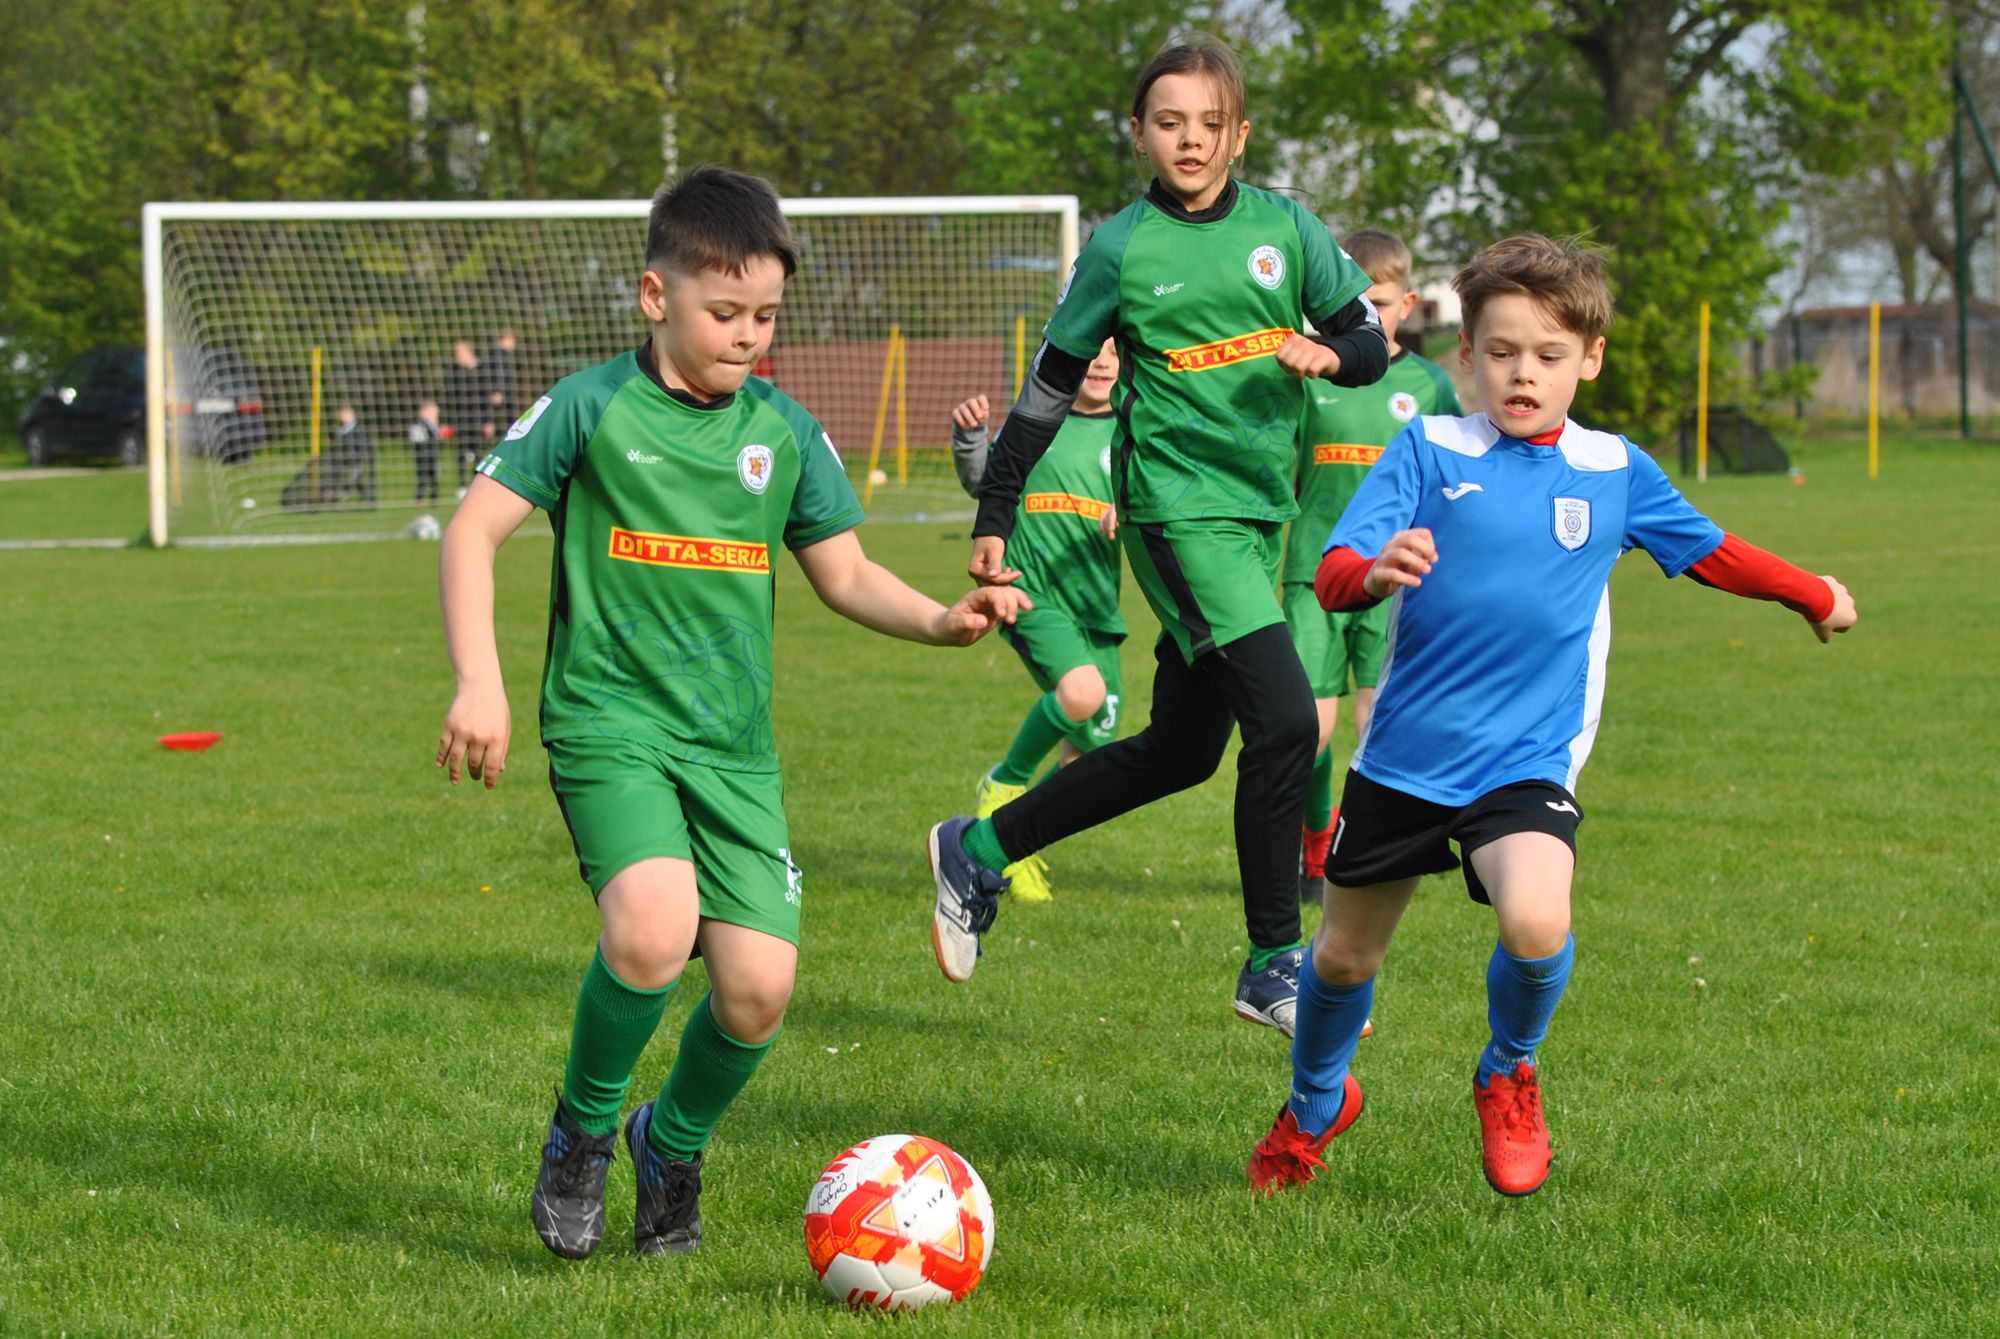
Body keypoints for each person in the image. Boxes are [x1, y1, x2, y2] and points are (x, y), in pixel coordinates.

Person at [434, 167, 1026, 1262]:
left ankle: (671, 1142)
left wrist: (942, 621)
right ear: (655, 297)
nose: (747, 335)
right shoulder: (590, 407)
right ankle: (580, 1134)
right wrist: (481, 681)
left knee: (757, 990)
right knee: (653, 932)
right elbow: (471, 532)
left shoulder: (785, 431)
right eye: (725, 313)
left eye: (764, 316)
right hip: (609, 725)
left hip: (732, 755)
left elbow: (843, 573)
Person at [1246, 233, 1858, 1199]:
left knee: (1536, 918)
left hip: (1526, 763)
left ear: (1590, 358)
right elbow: (1331, 577)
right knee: (1344, 952)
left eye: (1548, 355)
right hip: (1405, 760)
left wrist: (1810, 592)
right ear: (1466, 358)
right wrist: (1376, 570)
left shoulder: (1614, 470)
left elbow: (1712, 548)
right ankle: (1318, 1099)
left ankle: (1507, 1068)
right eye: (1500, 353)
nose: (1522, 374)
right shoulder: (1429, 447)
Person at [925, 33, 1389, 1039]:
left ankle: (979, 848)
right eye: (1168, 122)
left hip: (1256, 518)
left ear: (1239, 134)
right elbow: (1049, 388)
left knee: (1182, 751)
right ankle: (1273, 958)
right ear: (1140, 133)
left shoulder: (1287, 230)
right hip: (1175, 516)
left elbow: (1368, 338)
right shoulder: (1120, 247)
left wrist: (1327, 353)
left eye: (1208, 124)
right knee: (1284, 722)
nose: (1188, 139)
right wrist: (995, 510)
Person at [1286, 230, 1461, 911]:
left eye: (1379, 303)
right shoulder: (1310, 378)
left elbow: (1455, 484)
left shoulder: (1429, 386)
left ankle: (1364, 854)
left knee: (1378, 722)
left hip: (1400, 584)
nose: (1363, 316)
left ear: (1409, 304)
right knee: (1310, 728)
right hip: (1314, 574)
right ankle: (1316, 832)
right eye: (1349, 303)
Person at [949, 338, 1124, 903]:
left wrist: (1135, 509)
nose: (1100, 362)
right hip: (1030, 593)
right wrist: (971, 439)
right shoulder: (1035, 422)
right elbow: (986, 481)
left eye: (1114, 353)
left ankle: (1007, 841)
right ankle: (1003, 785)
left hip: (1098, 606)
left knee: (1094, 753)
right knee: (1082, 692)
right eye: (1091, 350)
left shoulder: (1131, 433)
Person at [444, 340, 492, 491]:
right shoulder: (455, 373)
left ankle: (476, 483)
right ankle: (462, 485)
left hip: (478, 419)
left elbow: (487, 398)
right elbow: (449, 398)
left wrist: (488, 421)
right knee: (461, 453)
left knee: (478, 452)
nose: (457, 357)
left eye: (460, 353)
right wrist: (447, 421)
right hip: (461, 420)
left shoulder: (482, 371)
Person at [409, 399, 444, 504]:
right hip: (423, 454)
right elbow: (415, 438)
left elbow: (438, 436)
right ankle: (420, 499)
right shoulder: (419, 423)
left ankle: (434, 498)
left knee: (434, 476)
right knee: (423, 477)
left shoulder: (433, 424)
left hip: (433, 454)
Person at [487, 328, 518, 421]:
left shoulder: (498, 353)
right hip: (500, 393)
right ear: (506, 339)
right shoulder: (499, 354)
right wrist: (498, 391)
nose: (514, 344)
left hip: (501, 392)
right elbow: (499, 373)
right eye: (513, 340)